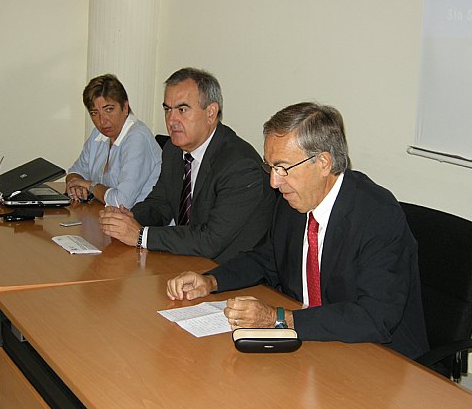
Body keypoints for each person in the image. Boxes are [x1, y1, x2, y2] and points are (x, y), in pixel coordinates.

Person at [167, 102, 429, 359]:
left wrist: (278, 318)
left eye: (283, 168)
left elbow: (375, 317)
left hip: (379, 357)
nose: (274, 182)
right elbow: (266, 258)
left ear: (324, 163)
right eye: (270, 167)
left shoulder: (377, 215)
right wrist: (211, 281)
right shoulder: (293, 200)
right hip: (314, 344)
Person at [98, 67, 275, 264]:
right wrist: (128, 218)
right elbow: (161, 203)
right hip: (188, 263)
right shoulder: (174, 150)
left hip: (231, 274)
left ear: (210, 113)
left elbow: (210, 240)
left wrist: (140, 235)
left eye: (182, 110)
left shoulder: (240, 166)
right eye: (167, 109)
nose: (171, 120)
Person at [66, 74, 161, 208]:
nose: (102, 120)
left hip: (142, 223)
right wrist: (75, 184)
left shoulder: (137, 138)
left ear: (125, 107)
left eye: (109, 110)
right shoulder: (98, 135)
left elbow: (121, 202)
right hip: (106, 216)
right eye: (94, 113)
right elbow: (76, 171)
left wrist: (90, 186)